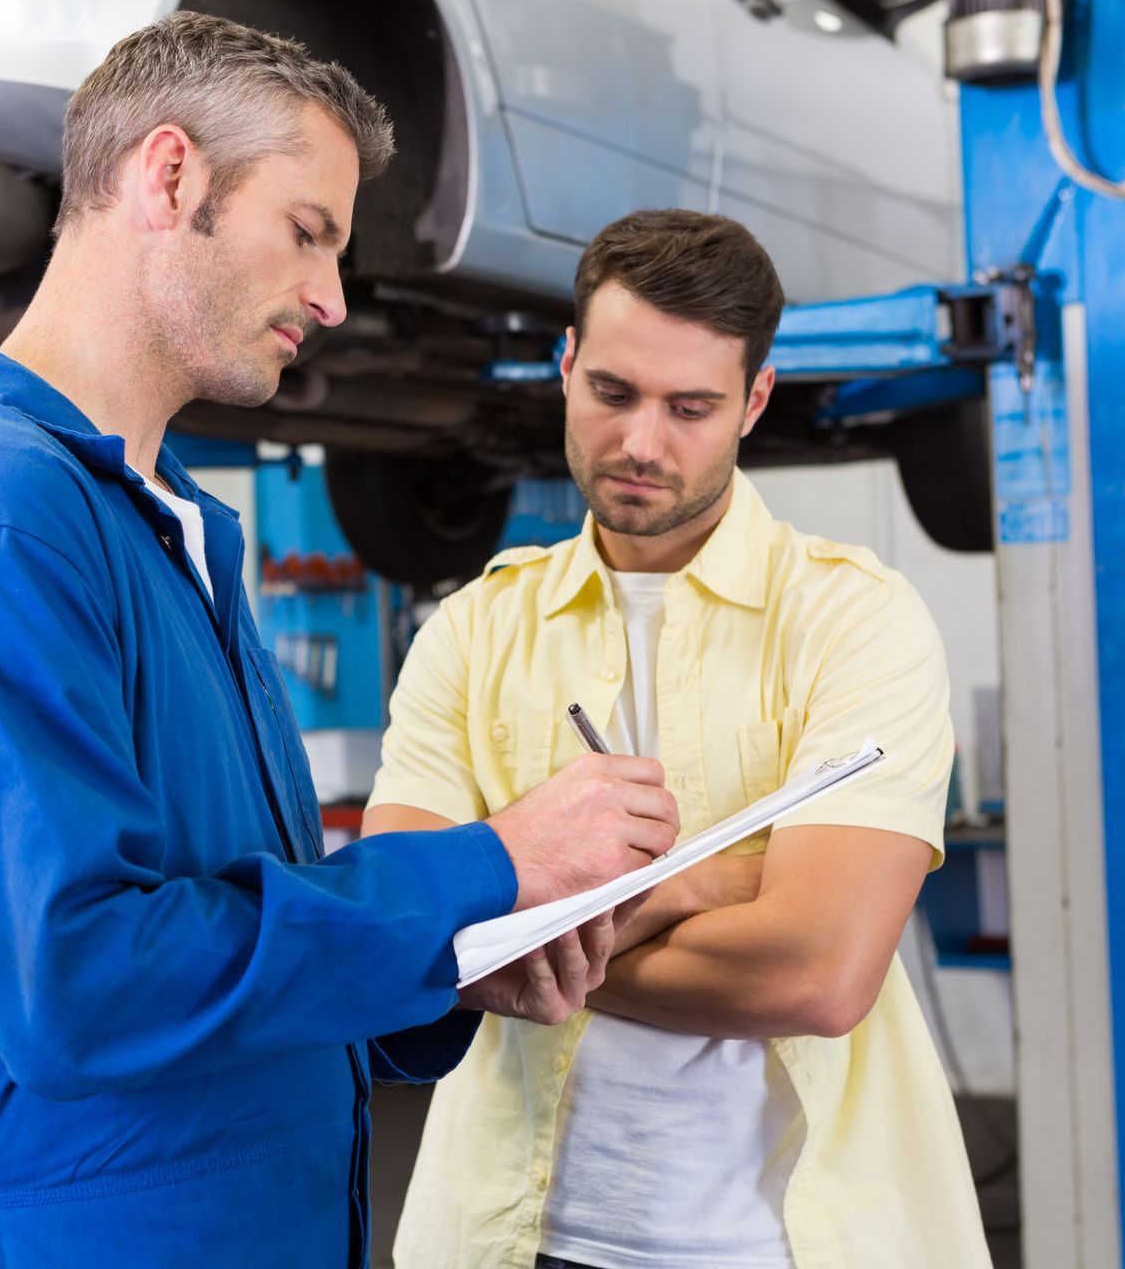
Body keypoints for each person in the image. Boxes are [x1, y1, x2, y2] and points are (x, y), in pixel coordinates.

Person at [0, 14, 677, 1269]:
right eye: (308, 232)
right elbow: (78, 979)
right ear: (170, 177)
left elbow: (230, 938)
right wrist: (482, 869)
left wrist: (453, 962)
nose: (328, 296)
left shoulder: (165, 527)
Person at [366, 209, 991, 1269]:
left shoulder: (855, 620)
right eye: (612, 392)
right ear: (566, 366)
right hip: (505, 1238)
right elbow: (411, 933)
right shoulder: (475, 629)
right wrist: (708, 883)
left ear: (754, 401)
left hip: (782, 1244)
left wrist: (521, 928)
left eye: (692, 406)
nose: (642, 442)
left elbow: (818, 972)